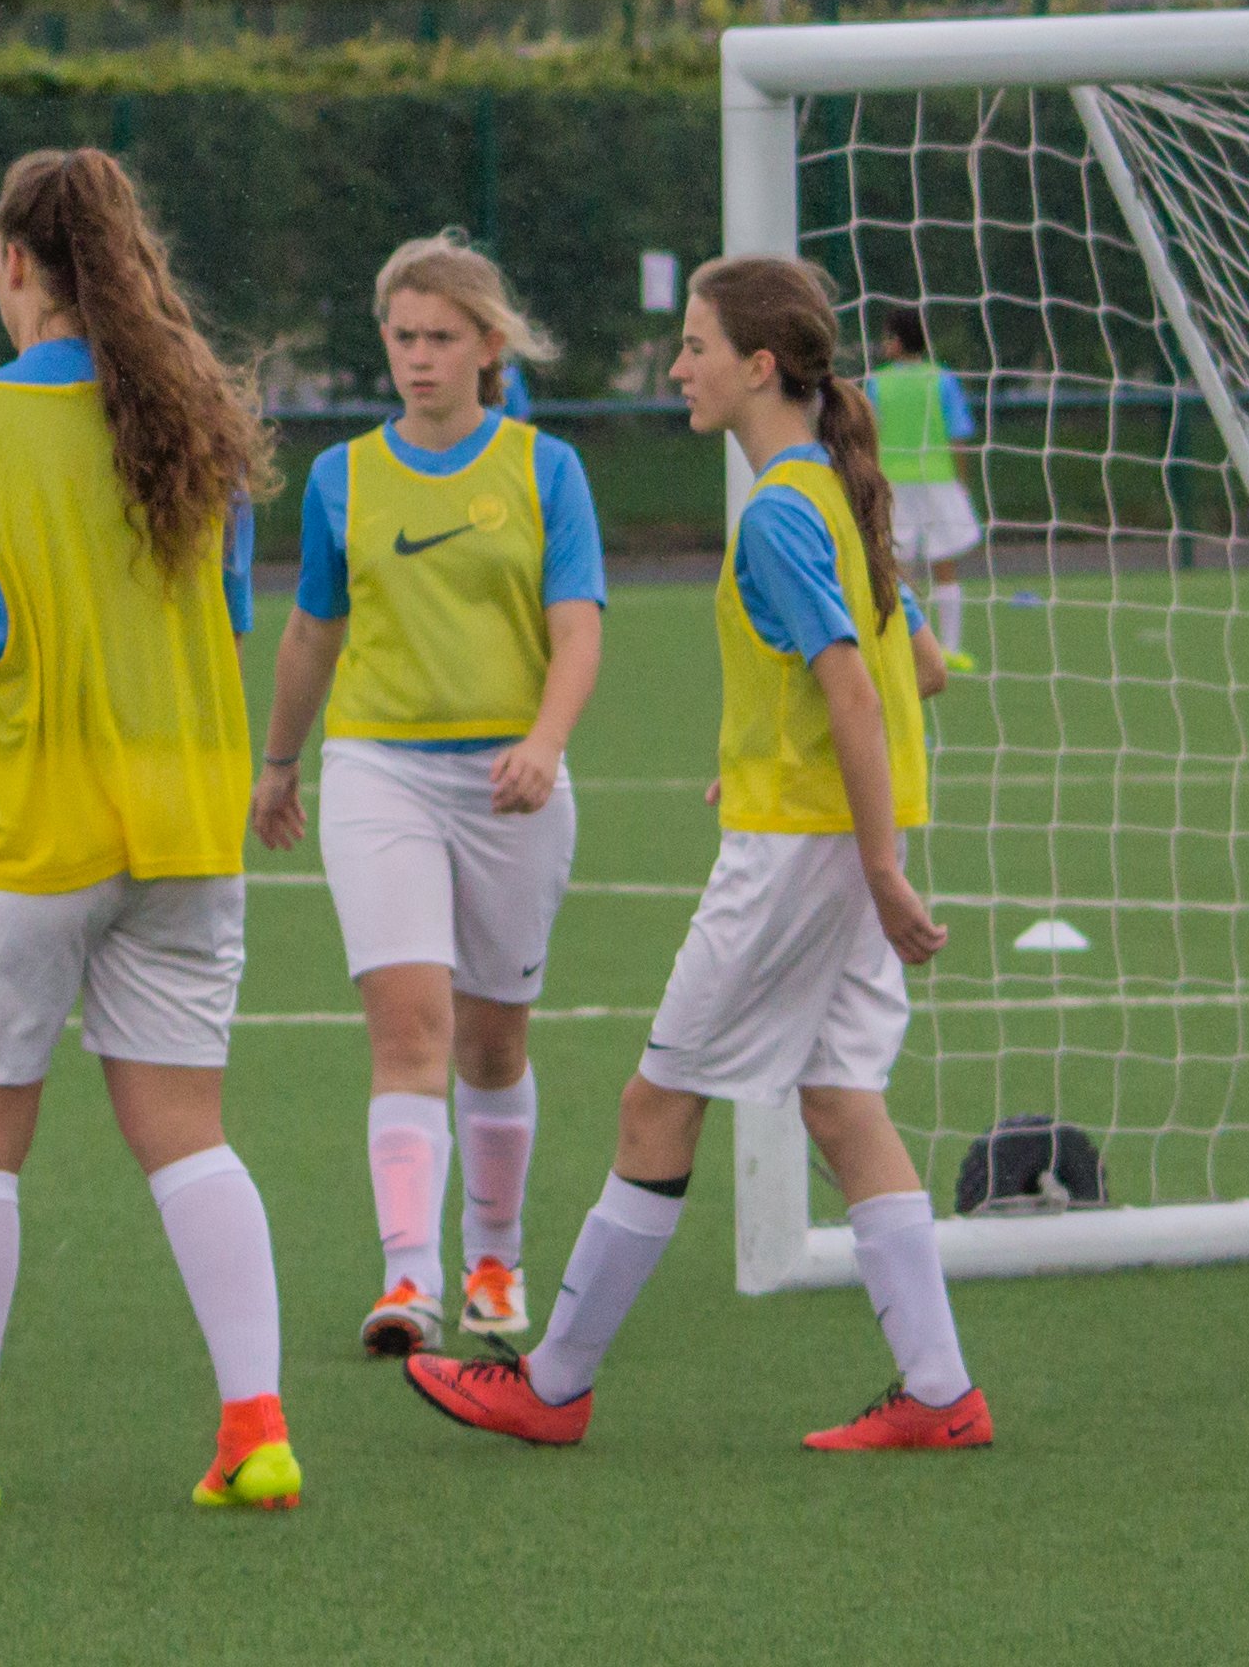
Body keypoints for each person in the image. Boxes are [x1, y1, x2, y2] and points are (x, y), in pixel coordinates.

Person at [406, 253, 986, 1457]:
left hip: (801, 857)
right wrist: (775, 759)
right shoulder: (834, 488)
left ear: (759, 366)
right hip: (819, 829)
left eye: (694, 346)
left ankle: (554, 1385)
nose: (677, 367)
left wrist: (875, 867)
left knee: (655, 1101)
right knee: (837, 1100)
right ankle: (939, 1393)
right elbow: (914, 667)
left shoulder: (779, 511)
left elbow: (859, 697)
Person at [0, 148, 298, 1519]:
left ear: (15, 264)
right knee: (189, 1132)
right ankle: (255, 1428)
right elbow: (223, 628)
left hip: (25, 829)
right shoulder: (200, 418)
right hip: (185, 829)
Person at [249, 232, 607, 1359]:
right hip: (379, 770)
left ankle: (492, 1258)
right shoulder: (339, 477)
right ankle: (407, 1279)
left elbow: (578, 626)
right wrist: (280, 761)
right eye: (402, 337)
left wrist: (546, 740)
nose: (417, 358)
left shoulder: (546, 469)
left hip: (512, 783)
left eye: (441, 339)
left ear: (488, 345)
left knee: (493, 1047)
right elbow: (314, 627)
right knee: (409, 1025)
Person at [869, 304, 984, 661]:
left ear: (899, 341)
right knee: (944, 563)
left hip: (893, 484)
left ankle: (900, 647)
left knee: (894, 565)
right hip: (937, 480)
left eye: (887, 336)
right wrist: (961, 482)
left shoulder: (878, 383)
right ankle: (949, 648)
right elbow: (958, 436)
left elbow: (869, 435)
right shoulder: (942, 379)